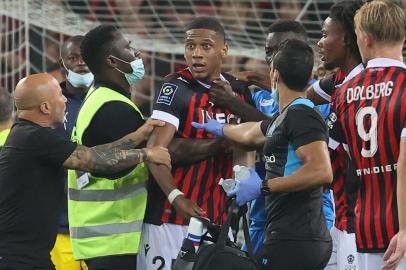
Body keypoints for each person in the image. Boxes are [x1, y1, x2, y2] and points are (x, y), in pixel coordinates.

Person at [0, 73, 170, 270]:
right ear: (45, 107)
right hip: (17, 259)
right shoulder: (33, 138)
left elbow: (93, 154)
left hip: (26, 256)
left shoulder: (28, 135)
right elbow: (94, 162)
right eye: (60, 96)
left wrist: (139, 134)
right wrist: (146, 154)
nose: (65, 100)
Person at [193, 39, 333, 269]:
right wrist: (219, 128)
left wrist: (264, 187)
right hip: (290, 235)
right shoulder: (285, 117)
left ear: (274, 75)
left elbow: (321, 170)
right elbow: (250, 133)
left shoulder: (302, 115)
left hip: (297, 237)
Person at [138, 17, 258, 270]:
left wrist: (244, 178)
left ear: (223, 50)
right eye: (190, 46)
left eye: (206, 46)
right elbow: (156, 151)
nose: (196, 54)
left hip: (218, 220)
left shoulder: (238, 92)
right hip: (171, 219)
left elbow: (247, 146)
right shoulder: (176, 86)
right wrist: (176, 196)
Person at [233, 20, 333, 253]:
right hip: (261, 212)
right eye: (270, 52)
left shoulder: (317, 100)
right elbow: (246, 141)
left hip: (306, 216)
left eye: (282, 49)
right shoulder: (258, 98)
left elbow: (279, 129)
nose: (275, 57)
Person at [327, 1, 406, 269]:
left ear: (365, 38)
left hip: (365, 224)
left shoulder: (344, 93)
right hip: (402, 230)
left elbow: (343, 154)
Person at [49, 35, 92, 270]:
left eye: (85, 57)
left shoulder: (111, 101)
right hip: (61, 225)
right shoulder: (49, 106)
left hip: (101, 225)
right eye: (73, 58)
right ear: (62, 62)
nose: (80, 63)